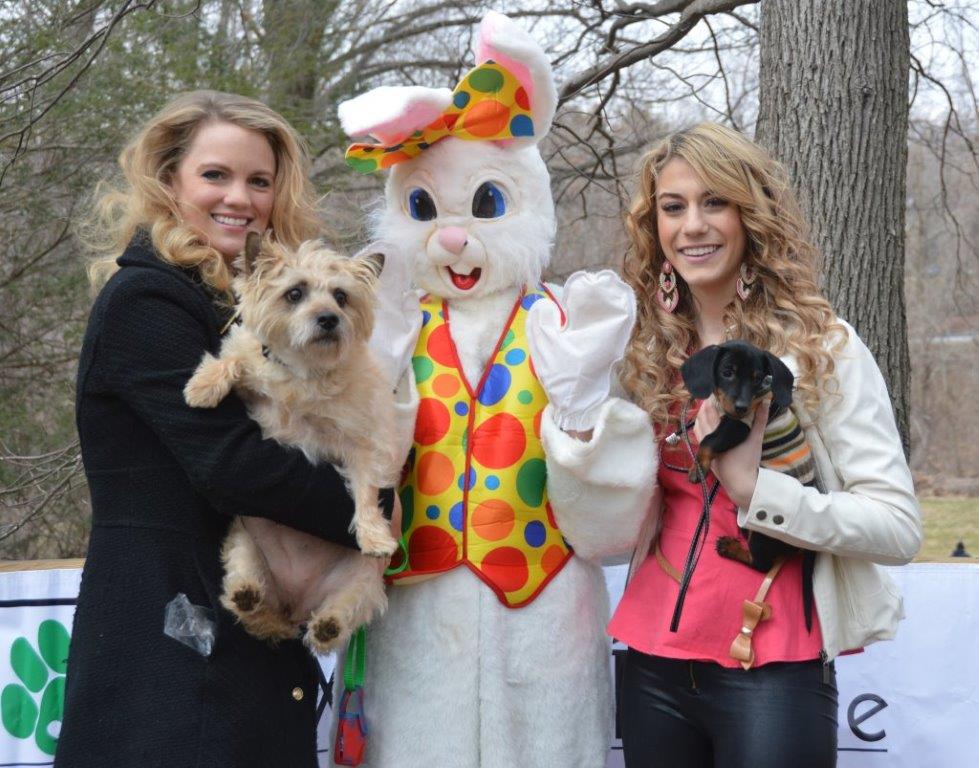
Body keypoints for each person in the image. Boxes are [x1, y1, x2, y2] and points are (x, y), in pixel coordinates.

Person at [55, 90, 395, 768]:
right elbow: (233, 465)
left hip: (245, 644)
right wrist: (377, 508)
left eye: (259, 180)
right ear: (169, 180)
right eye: (216, 175)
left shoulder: (257, 304)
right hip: (171, 658)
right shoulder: (146, 301)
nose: (239, 197)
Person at [607, 123, 922, 768]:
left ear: (751, 215)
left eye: (714, 202)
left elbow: (897, 526)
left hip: (773, 664)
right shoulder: (641, 351)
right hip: (653, 660)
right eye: (673, 207)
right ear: (655, 227)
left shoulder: (821, 346)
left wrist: (757, 492)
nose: (693, 225)